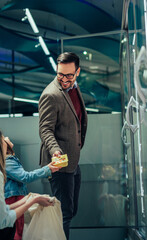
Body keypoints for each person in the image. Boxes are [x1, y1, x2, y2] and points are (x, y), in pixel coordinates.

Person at [38, 52, 88, 239]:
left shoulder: (74, 87)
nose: (64, 80)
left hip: (73, 159)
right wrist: (55, 150)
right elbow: (45, 130)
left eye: (69, 75)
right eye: (60, 74)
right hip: (59, 163)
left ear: (77, 72)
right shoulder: (50, 95)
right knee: (63, 214)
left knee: (71, 210)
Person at [0, 137, 60, 240]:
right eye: (3, 138)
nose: (6, 137)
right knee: (16, 231)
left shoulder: (6, 161)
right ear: (3, 146)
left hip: (12, 199)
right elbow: (26, 177)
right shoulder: (8, 161)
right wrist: (47, 169)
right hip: (14, 199)